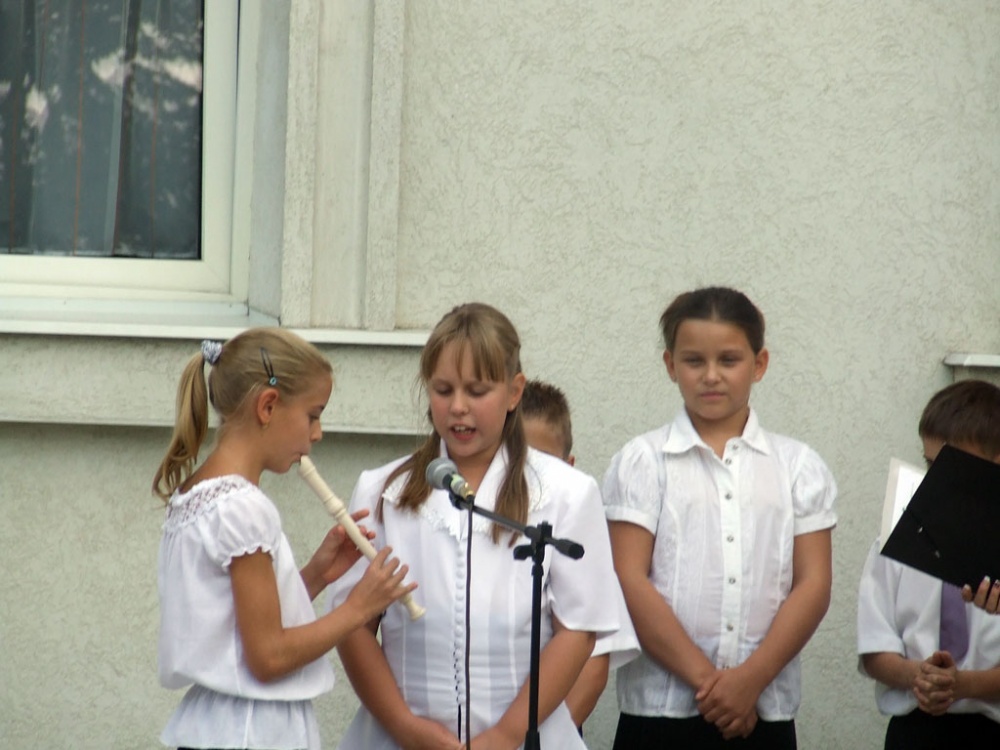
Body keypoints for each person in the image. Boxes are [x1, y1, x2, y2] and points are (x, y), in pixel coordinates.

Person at [326, 303, 623, 750]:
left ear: (514, 391)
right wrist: (406, 728)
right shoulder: (382, 491)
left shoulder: (568, 493)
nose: (458, 408)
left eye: (477, 391)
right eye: (443, 390)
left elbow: (579, 630)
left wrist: (505, 736)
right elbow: (353, 626)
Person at [154, 327, 415, 750]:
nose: (317, 433)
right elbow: (268, 658)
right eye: (313, 415)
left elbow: (236, 627)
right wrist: (359, 608)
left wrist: (316, 575)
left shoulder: (196, 494)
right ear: (268, 405)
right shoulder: (244, 508)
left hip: (217, 725)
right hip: (252, 732)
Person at [603, 286, 837, 749]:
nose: (711, 376)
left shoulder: (798, 467)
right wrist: (710, 683)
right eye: (694, 361)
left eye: (728, 360)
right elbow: (628, 577)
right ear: (671, 365)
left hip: (762, 710)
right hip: (660, 714)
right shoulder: (643, 461)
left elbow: (813, 584)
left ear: (759, 363)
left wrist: (750, 680)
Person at [857, 378, 1000, 748]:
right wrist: (917, 676)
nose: (938, 480)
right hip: (915, 729)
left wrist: (964, 684)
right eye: (930, 463)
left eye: (954, 467)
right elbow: (875, 647)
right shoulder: (898, 539)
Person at [520, 379, 639, 736]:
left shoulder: (575, 542)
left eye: (543, 465)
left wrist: (541, 739)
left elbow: (592, 666)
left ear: (569, 466)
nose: (528, 478)